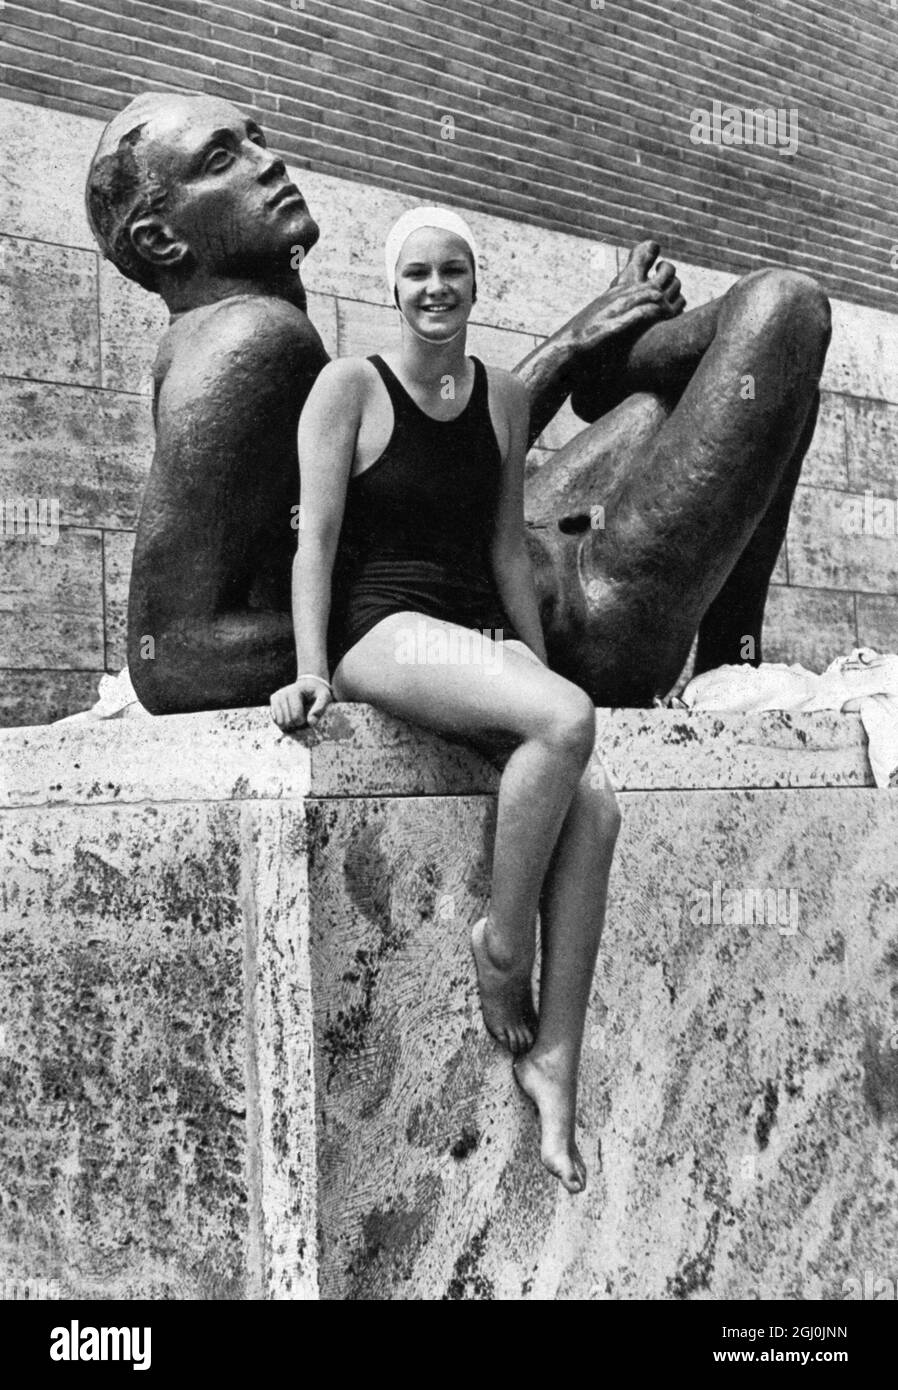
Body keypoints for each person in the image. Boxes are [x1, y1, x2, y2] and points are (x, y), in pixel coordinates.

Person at [270, 207, 628, 1195]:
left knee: (591, 806)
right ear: (393, 288)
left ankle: (552, 1061)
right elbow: (318, 541)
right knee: (562, 725)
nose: (436, 288)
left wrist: (546, 672)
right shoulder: (348, 386)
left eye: (453, 272)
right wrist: (310, 666)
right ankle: (501, 942)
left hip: (474, 633)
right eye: (417, 274)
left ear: (477, 285)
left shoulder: (506, 398)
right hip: (385, 632)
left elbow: (509, 547)